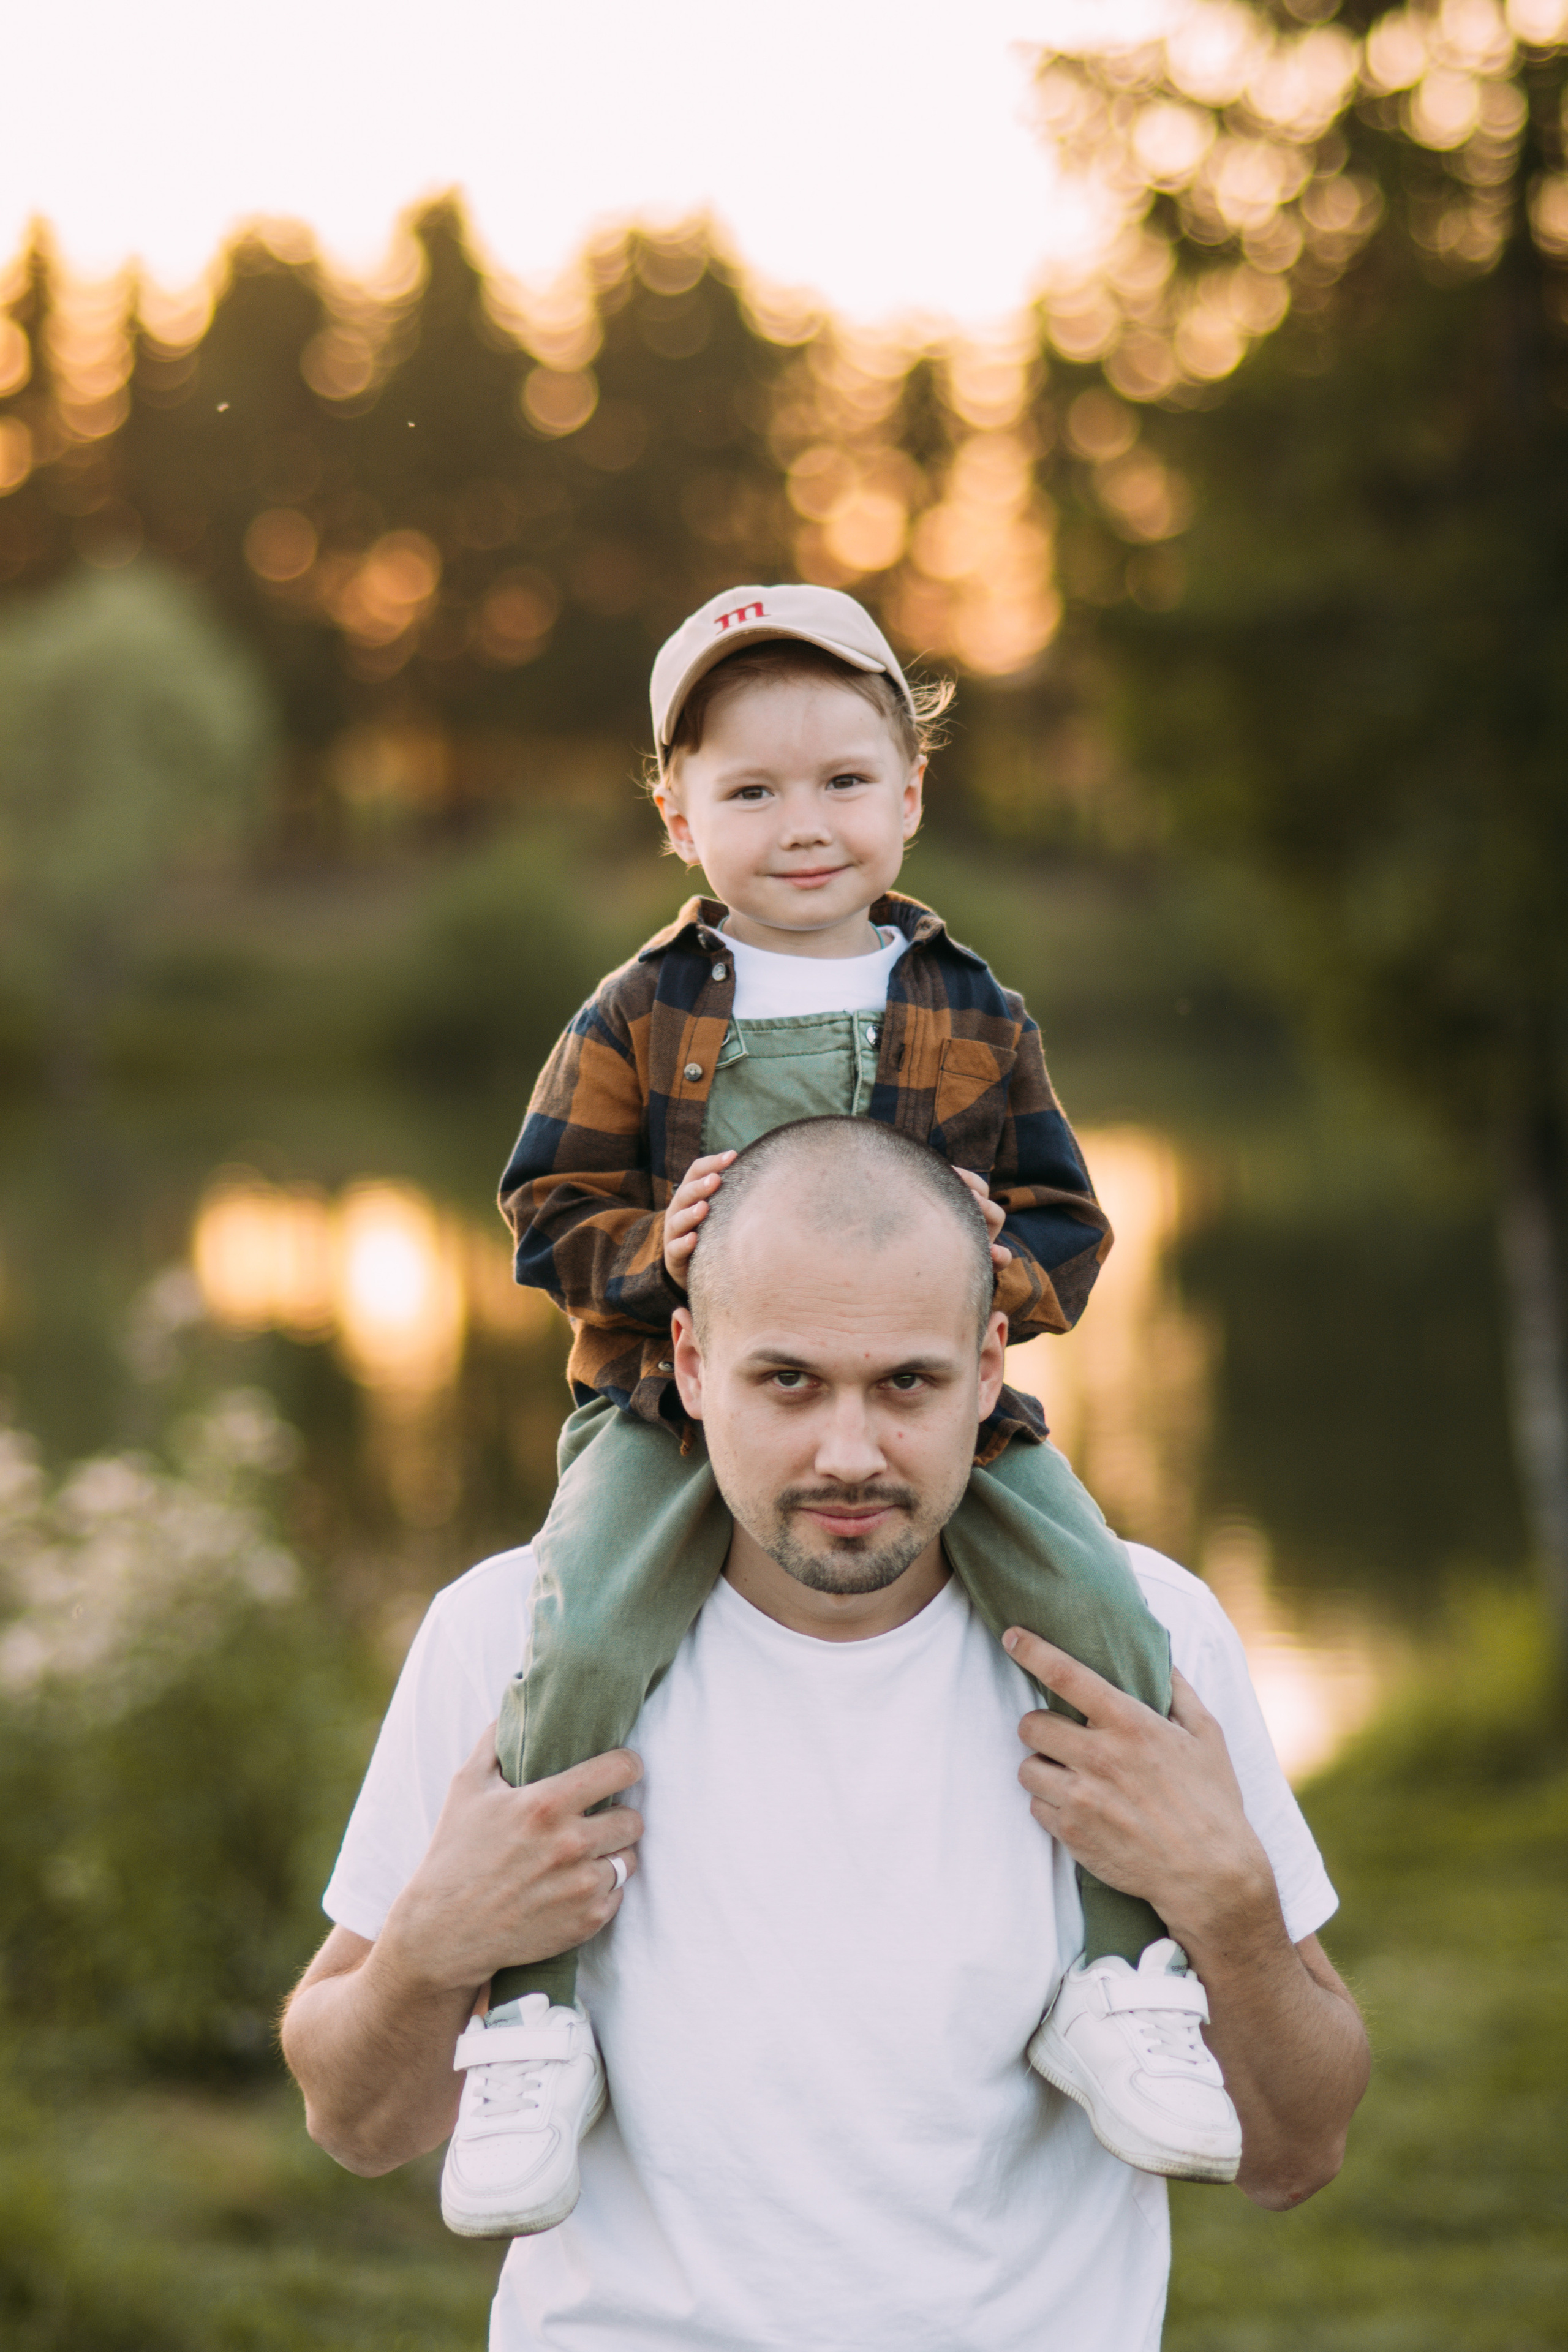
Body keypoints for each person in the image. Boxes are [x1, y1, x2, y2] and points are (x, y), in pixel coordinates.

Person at [281, 1118, 1370, 2352]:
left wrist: (1224, 1904)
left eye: (907, 1383)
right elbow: (357, 2126)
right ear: (688, 1365)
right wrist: (430, 1951)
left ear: (989, 1366)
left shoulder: (1145, 1638)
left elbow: (1296, 2151)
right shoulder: (507, 1639)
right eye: (786, 1381)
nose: (848, 1454)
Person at [456, 582, 1227, 2236]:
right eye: (748, 792)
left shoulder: (973, 1008)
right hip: (677, 1408)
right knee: (582, 1637)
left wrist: (979, 1265)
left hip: (950, 1417)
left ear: (910, 791)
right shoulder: (638, 1010)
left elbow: (1070, 1232)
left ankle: (1121, 1976)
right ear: (677, 816)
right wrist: (648, 1255)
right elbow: (543, 1211)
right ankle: (531, 2010)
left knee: (1105, 1616)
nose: (801, 825)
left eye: (841, 782)